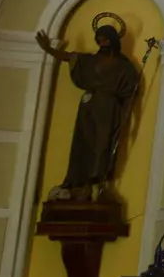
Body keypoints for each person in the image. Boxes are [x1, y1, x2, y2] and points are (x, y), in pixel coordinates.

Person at [35, 19, 142, 199]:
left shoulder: (124, 66)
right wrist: (49, 49)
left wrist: (131, 120)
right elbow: (68, 57)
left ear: (113, 40)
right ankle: (78, 182)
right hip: (88, 107)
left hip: (108, 109)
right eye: (99, 40)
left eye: (105, 39)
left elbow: (130, 92)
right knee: (82, 143)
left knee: (103, 144)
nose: (102, 43)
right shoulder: (90, 60)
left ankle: (96, 182)